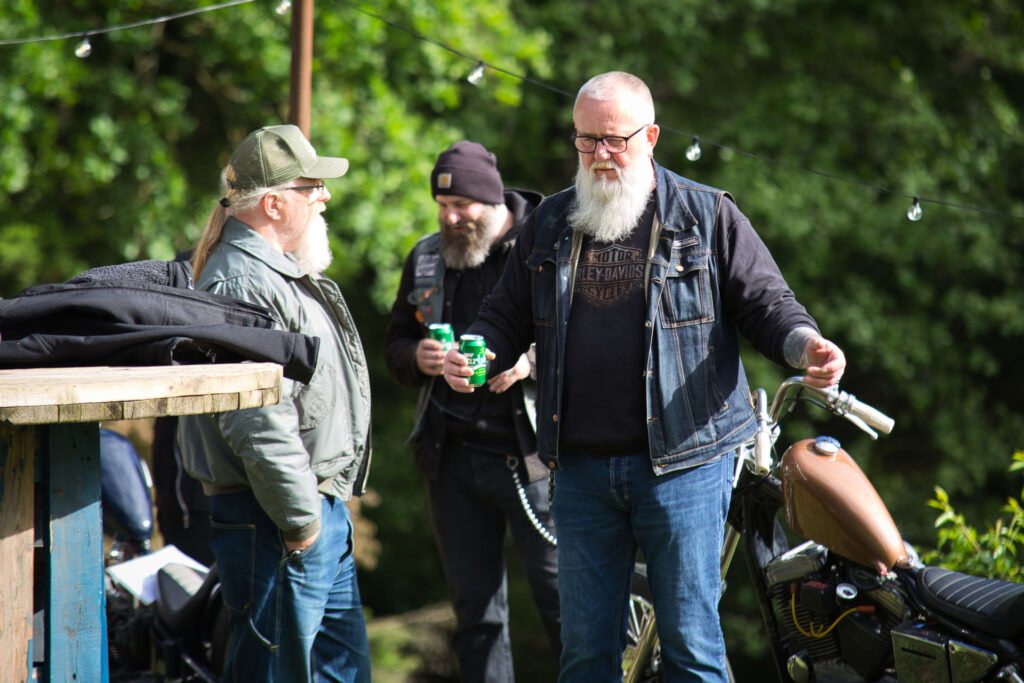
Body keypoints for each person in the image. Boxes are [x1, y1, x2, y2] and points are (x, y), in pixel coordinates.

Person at [443, 72, 846, 682]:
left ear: (651, 136)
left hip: (685, 465)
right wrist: (475, 355)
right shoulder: (551, 221)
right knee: (583, 656)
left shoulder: (708, 213)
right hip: (578, 473)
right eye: (586, 141)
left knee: (692, 649)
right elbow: (504, 316)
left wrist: (804, 345)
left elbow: (767, 304)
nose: (600, 155)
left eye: (614, 140)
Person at [177, 124, 373, 683]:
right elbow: (255, 419)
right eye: (312, 186)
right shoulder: (240, 281)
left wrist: (315, 518)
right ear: (274, 203)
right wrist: (302, 523)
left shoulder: (271, 272)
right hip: (275, 518)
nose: (323, 196)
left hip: (307, 513)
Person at [384, 141, 560, 682]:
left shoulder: (545, 247)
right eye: (442, 206)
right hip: (453, 460)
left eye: (462, 205)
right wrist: (418, 356)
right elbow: (393, 344)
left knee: (567, 603)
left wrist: (532, 362)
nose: (450, 217)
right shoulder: (429, 257)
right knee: (475, 618)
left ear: (492, 200)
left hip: (532, 461)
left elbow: (592, 340)